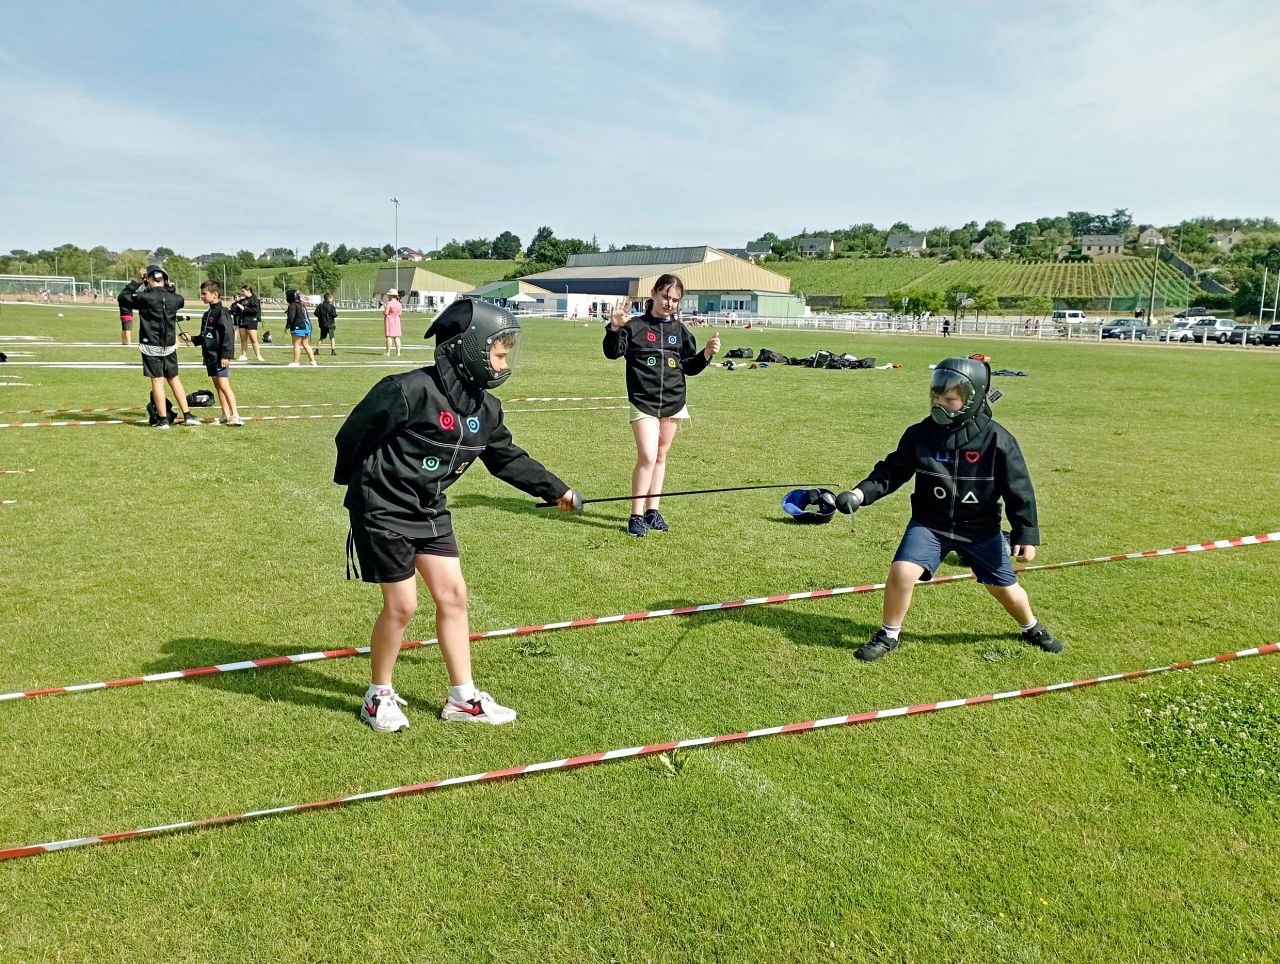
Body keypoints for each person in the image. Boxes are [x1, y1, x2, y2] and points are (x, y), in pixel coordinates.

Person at [334, 299, 577, 733]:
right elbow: (352, 436)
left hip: (429, 509)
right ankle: (377, 695)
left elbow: (506, 458)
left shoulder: (486, 409)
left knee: (453, 597)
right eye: (498, 354)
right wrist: (365, 489)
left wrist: (557, 489)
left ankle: (463, 699)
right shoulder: (406, 390)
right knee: (403, 606)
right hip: (383, 509)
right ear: (468, 350)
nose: (504, 364)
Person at [834, 356, 1062, 661]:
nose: (940, 405)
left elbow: (1019, 489)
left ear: (972, 399)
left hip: (980, 530)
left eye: (950, 400)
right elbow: (891, 471)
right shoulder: (920, 434)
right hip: (930, 524)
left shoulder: (998, 440)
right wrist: (860, 494)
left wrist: (1026, 533)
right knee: (902, 572)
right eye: (936, 398)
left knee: (1004, 590)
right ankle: (889, 635)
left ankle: (1030, 626)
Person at [603, 273, 720, 537]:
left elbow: (689, 367)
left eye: (675, 300)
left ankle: (652, 511)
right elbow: (612, 353)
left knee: (660, 456)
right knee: (647, 455)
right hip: (643, 401)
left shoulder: (681, 331)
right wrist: (614, 328)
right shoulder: (634, 326)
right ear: (654, 293)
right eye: (666, 297)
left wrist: (706, 354)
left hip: (673, 401)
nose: (669, 303)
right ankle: (636, 515)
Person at [118, 264, 201, 428]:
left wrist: (136, 281)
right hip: (169, 344)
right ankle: (188, 415)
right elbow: (178, 298)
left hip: (151, 344)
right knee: (174, 379)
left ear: (147, 279)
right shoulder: (175, 299)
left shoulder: (144, 297)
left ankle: (163, 420)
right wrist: (169, 286)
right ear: (165, 279)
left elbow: (123, 297)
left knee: (157, 381)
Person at [181, 280, 243, 426]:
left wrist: (226, 355)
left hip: (220, 356)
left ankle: (236, 415)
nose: (202, 296)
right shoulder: (207, 314)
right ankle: (225, 415)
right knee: (218, 386)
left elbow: (228, 335)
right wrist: (191, 339)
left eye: (204, 293)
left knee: (224, 385)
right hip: (210, 356)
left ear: (215, 294)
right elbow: (206, 336)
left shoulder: (223, 313)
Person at [230, 285, 266, 362]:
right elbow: (235, 309)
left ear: (248, 290)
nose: (242, 293)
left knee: (253, 339)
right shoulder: (243, 300)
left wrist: (244, 308)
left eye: (243, 291)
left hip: (251, 321)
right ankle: (244, 355)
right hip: (242, 321)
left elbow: (255, 310)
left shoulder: (254, 299)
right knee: (243, 339)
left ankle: (258, 355)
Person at [284, 288, 317, 367]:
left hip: (298, 327)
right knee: (306, 344)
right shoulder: (301, 304)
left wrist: (287, 326)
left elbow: (291, 317)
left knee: (296, 344)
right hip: (306, 327)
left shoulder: (292, 305)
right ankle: (312, 361)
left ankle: (296, 362)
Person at [383, 288, 402, 356]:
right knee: (397, 337)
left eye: (389, 295)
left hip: (390, 320)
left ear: (391, 296)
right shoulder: (399, 304)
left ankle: (388, 352)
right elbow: (400, 314)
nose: (388, 297)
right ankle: (398, 352)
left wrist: (384, 309)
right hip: (397, 320)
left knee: (389, 336)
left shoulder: (389, 303)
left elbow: (386, 313)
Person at [116, 279, 135, 346]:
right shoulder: (127, 298)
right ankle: (129, 342)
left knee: (124, 329)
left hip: (122, 314)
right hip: (128, 315)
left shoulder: (121, 297)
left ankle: (123, 341)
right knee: (128, 329)